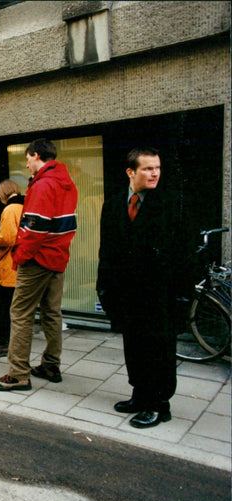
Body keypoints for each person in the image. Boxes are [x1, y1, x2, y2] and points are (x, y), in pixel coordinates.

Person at [96, 147, 190, 428]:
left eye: (157, 168)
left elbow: (184, 252)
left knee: (159, 350)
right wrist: (104, 287)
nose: (155, 173)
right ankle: (139, 394)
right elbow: (107, 251)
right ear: (130, 172)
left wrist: (181, 295)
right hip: (127, 293)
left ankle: (159, 405)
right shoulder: (113, 204)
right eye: (148, 169)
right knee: (134, 346)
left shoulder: (171, 202)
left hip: (159, 294)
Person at [0, 139, 78, 391]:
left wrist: (19, 256)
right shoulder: (67, 183)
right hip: (58, 256)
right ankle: (51, 364)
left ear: (36, 155)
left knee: (20, 313)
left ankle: (18, 373)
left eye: (27, 159)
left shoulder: (42, 185)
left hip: (37, 259)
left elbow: (33, 230)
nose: (27, 165)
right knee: (52, 312)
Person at [0, 180, 25, 358]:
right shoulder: (25, 205)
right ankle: (12, 341)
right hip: (19, 264)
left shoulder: (9, 209)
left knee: (2, 306)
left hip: (8, 266)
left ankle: (4, 343)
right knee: (14, 308)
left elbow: (7, 238)